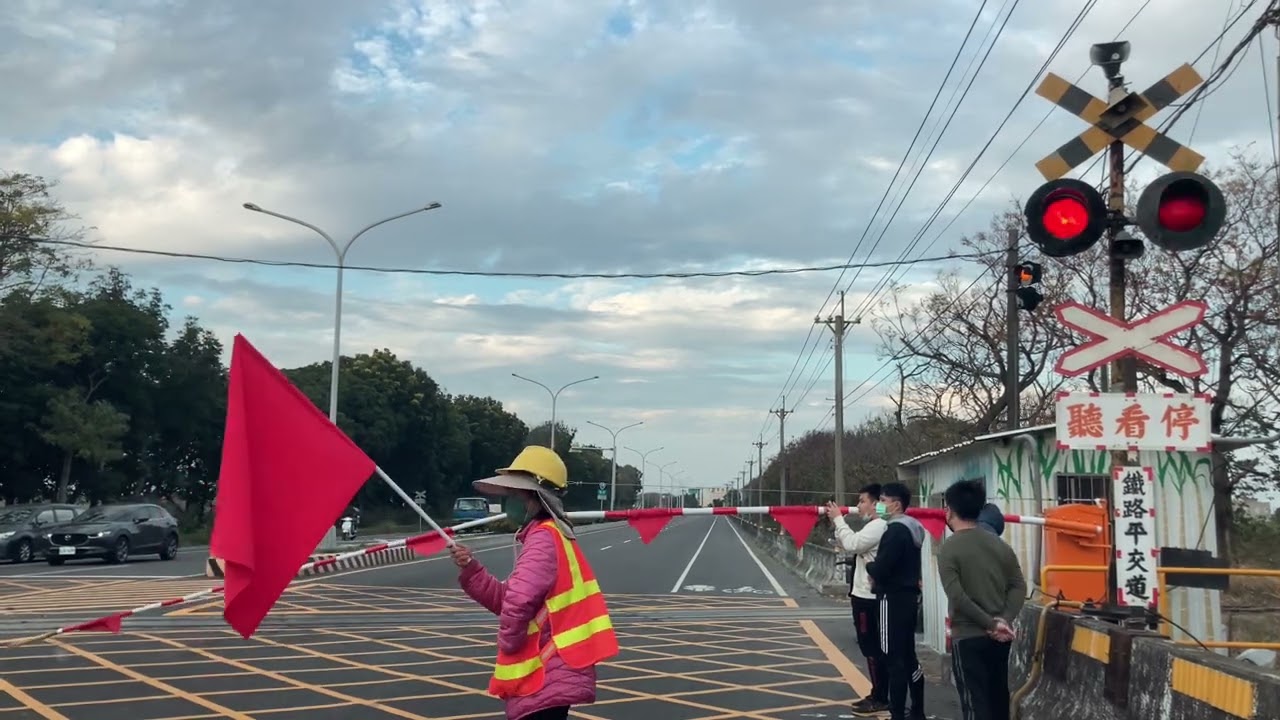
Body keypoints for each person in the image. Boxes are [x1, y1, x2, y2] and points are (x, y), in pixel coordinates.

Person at [449, 445, 619, 720]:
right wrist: (471, 569)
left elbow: (517, 603)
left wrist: (509, 645)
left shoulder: (543, 538)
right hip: (554, 668)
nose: (509, 502)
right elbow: (507, 599)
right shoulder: (549, 534)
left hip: (544, 668)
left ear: (534, 497)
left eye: (514, 494)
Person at [937, 479, 1027, 720]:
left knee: (974, 703)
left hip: (967, 636)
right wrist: (1003, 620)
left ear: (949, 510)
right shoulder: (999, 545)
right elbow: (1019, 585)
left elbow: (956, 594)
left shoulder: (949, 548)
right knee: (998, 699)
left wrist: (989, 623)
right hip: (1000, 637)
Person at [865, 482, 927, 720]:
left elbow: (881, 568)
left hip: (890, 599)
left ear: (896, 504)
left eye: (882, 500)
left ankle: (897, 712)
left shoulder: (894, 531)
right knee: (909, 656)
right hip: (909, 598)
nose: (879, 505)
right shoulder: (914, 528)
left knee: (892, 658)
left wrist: (869, 565)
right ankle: (918, 709)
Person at [826, 485, 889, 716]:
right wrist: (838, 527)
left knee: (872, 648)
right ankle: (877, 693)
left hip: (868, 598)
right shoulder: (873, 526)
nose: (859, 505)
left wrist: (839, 520)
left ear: (875, 504)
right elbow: (848, 543)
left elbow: (853, 544)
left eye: (862, 501)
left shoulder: (878, 526)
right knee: (870, 648)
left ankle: (881, 696)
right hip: (863, 594)